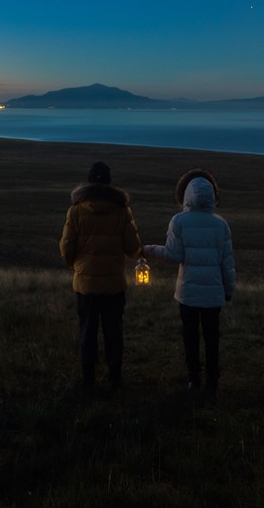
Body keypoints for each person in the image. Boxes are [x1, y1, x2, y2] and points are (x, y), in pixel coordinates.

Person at [144, 168, 235, 394]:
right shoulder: (221, 224)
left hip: (188, 294)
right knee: (212, 338)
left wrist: (148, 250)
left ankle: (194, 378)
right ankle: (212, 380)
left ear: (186, 194)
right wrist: (228, 289)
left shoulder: (179, 221)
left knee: (190, 336)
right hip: (213, 293)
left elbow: (173, 255)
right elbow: (227, 262)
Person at [59, 160, 143, 389]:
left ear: (88, 181)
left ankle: (88, 379)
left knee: (87, 331)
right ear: (109, 181)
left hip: (85, 285)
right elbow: (133, 248)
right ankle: (115, 377)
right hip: (114, 285)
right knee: (113, 330)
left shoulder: (76, 210)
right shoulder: (122, 210)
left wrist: (78, 267)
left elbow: (66, 248)